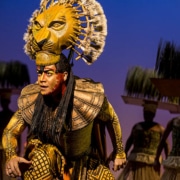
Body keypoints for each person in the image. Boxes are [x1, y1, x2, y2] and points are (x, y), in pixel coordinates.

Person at [2, 0, 126, 179]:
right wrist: (11, 156)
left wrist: (119, 151)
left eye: (49, 73)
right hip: (49, 163)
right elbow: (9, 131)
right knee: (37, 162)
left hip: (84, 166)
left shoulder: (88, 97)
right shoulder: (34, 100)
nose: (41, 79)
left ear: (64, 75)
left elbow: (111, 118)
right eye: (39, 72)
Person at [117, 102, 169, 180]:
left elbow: (166, 145)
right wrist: (124, 153)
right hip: (136, 159)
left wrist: (167, 160)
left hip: (152, 161)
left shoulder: (160, 129)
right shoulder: (137, 126)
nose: (147, 116)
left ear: (153, 115)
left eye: (149, 114)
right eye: (145, 113)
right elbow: (130, 140)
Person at [0, 93, 18, 180]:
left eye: (4, 101)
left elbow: (16, 133)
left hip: (10, 148)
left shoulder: (12, 116)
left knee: (8, 172)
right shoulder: (2, 116)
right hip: (2, 148)